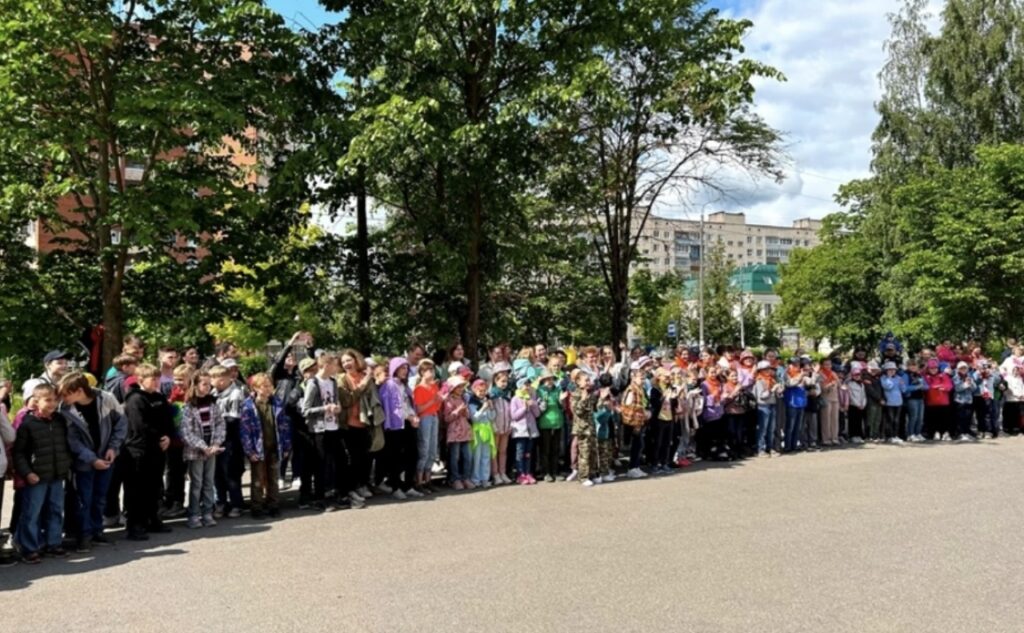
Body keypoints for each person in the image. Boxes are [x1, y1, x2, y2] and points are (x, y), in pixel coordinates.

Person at [59, 372, 126, 552]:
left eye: (66, 394)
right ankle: (84, 534)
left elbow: (121, 423)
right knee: (84, 499)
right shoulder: (66, 409)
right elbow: (72, 440)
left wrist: (113, 447)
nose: (63, 399)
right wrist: (92, 459)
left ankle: (97, 530)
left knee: (100, 497)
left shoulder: (106, 398)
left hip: (107, 457)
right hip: (84, 462)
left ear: (79, 391)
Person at [13, 384, 72, 563]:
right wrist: (27, 473)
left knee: (56, 510)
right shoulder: (27, 423)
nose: (52, 403)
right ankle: (29, 548)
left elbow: (65, 445)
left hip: (57, 475)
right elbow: (18, 453)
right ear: (36, 401)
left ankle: (53, 543)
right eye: (48, 400)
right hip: (36, 477)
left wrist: (66, 465)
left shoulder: (59, 420)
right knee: (32, 513)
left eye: (55, 400)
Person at [122, 364, 174, 541]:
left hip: (158, 449)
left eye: (158, 378)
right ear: (141, 380)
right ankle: (135, 524)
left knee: (154, 486)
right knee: (136, 489)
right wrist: (159, 437)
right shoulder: (135, 399)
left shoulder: (159, 397)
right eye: (153, 379)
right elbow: (139, 425)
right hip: (139, 450)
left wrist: (168, 436)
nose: (156, 382)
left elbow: (168, 420)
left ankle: (153, 519)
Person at [240, 373, 292, 518]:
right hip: (258, 448)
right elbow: (245, 431)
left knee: (273, 478)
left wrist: (286, 446)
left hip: (274, 446)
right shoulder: (248, 406)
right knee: (257, 479)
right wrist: (249, 450)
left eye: (270, 385)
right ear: (255, 388)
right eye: (264, 386)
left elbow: (284, 426)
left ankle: (273, 505)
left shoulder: (277, 403)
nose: (268, 389)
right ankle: (256, 507)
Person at [180, 371, 225, 528]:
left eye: (209, 384)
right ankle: (193, 514)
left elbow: (220, 423)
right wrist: (202, 446)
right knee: (196, 483)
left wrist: (216, 443)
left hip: (212, 449)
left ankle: (207, 512)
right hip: (196, 451)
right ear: (196, 385)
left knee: (209, 482)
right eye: (204, 384)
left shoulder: (212, 403)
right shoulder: (189, 406)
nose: (208, 387)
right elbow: (186, 432)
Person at [338, 350, 382, 501]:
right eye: (343, 362)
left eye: (349, 360)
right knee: (354, 458)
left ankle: (363, 484)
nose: (346, 364)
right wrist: (363, 384)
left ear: (356, 360)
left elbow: (374, 397)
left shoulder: (365, 376)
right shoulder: (342, 379)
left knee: (366, 457)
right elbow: (346, 400)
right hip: (348, 424)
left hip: (366, 422)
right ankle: (352, 487)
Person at [379, 357, 421, 500]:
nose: (405, 371)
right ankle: (395, 486)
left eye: (406, 368)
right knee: (395, 457)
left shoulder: (404, 385)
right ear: (395, 369)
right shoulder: (389, 385)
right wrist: (408, 417)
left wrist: (413, 416)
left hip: (408, 424)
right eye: (402, 368)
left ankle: (408, 485)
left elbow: (408, 404)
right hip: (395, 426)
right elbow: (391, 408)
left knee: (412, 454)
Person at [211, 365, 246, 517]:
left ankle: (236, 504)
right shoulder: (213, 394)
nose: (212, 382)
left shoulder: (236, 393)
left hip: (230, 440)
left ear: (224, 379)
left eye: (214, 379)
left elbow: (233, 419)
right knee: (217, 473)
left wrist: (216, 422)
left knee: (230, 473)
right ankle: (221, 503)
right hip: (215, 440)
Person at [412, 359, 443, 491]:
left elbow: (437, 406)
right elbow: (419, 409)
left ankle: (428, 479)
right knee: (424, 448)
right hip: (425, 418)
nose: (432, 372)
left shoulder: (434, 386)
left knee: (432, 449)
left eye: (432, 369)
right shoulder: (419, 388)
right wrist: (433, 401)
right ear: (422, 372)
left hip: (434, 416)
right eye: (429, 370)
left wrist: (439, 400)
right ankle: (419, 481)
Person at [570, 370, 600, 487]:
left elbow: (594, 408)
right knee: (584, 453)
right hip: (582, 428)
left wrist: (600, 399)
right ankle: (583, 477)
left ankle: (592, 474)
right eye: (586, 380)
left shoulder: (589, 393)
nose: (588, 382)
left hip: (591, 426)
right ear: (578, 382)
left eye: (589, 380)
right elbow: (577, 411)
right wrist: (583, 399)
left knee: (592, 451)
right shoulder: (576, 395)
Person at [620, 365, 650, 478]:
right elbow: (628, 406)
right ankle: (632, 468)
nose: (643, 380)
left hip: (640, 421)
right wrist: (641, 415)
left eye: (644, 378)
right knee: (636, 445)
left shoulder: (641, 389)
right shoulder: (631, 390)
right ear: (633, 378)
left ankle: (636, 467)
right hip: (633, 423)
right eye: (641, 378)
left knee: (639, 445)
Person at [443, 376, 472, 490]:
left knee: (467, 456)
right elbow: (447, 418)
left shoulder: (463, 398)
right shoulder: (448, 400)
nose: (461, 389)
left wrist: (465, 412)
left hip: (465, 430)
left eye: (462, 387)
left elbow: (468, 416)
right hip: (454, 432)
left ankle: (466, 477)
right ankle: (455, 479)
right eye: (458, 387)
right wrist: (457, 411)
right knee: (455, 457)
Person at [510, 376, 540, 485]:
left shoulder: (531, 398)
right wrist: (524, 408)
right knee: (520, 453)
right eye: (525, 385)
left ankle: (528, 473)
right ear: (519, 386)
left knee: (528, 453)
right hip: (520, 431)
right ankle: (520, 474)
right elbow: (514, 416)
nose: (527, 387)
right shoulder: (515, 399)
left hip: (530, 431)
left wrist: (533, 405)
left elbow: (537, 414)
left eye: (529, 385)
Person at [467, 379, 497, 488]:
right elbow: (474, 418)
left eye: (484, 391)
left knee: (486, 455)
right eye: (480, 390)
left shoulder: (486, 401)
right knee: (477, 456)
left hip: (487, 430)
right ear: (474, 390)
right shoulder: (472, 403)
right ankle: (476, 479)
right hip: (477, 431)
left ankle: (485, 478)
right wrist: (483, 408)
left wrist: (491, 408)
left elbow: (492, 417)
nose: (482, 393)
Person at [487, 365, 513, 485]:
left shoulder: (507, 395)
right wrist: (494, 425)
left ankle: (503, 472)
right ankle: (495, 474)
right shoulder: (492, 395)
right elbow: (491, 412)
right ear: (495, 381)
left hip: (506, 426)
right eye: (502, 381)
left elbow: (509, 411)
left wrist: (510, 424)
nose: (504, 384)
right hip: (496, 426)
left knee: (503, 451)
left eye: (506, 381)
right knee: (494, 451)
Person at [753, 361, 781, 456]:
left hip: (772, 404)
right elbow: (761, 396)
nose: (768, 371)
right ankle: (761, 449)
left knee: (771, 428)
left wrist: (779, 390)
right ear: (760, 371)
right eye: (765, 369)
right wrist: (772, 390)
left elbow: (777, 394)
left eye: (769, 369)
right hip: (763, 406)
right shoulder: (759, 380)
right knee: (763, 429)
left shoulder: (772, 380)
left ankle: (770, 447)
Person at [924, 359, 954, 441]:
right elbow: (928, 387)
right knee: (933, 419)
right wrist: (939, 386)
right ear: (928, 369)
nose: (933, 370)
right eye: (931, 368)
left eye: (935, 368)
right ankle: (935, 433)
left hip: (944, 402)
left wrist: (941, 387)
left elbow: (949, 386)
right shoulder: (926, 377)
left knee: (944, 419)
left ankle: (945, 433)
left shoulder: (943, 376)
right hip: (931, 402)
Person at [879, 362, 906, 444]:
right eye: (889, 370)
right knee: (890, 420)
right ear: (886, 371)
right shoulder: (883, 378)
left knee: (896, 420)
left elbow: (903, 390)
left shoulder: (899, 378)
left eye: (893, 370)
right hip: (889, 403)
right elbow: (888, 386)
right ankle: (890, 436)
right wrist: (890, 378)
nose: (892, 371)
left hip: (898, 402)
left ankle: (895, 435)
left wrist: (902, 384)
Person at [952, 362, 977, 442]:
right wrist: (965, 384)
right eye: (961, 368)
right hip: (959, 400)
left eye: (965, 368)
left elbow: (974, 389)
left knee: (968, 418)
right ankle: (960, 434)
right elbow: (957, 389)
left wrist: (971, 383)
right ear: (958, 369)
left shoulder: (969, 377)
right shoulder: (955, 377)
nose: (963, 370)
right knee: (960, 418)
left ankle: (966, 433)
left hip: (969, 400)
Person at [904, 361, 927, 442]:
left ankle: (918, 433)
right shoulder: (905, 375)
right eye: (911, 365)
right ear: (907, 366)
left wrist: (923, 387)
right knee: (913, 417)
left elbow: (926, 386)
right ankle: (910, 434)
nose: (913, 367)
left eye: (915, 365)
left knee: (920, 418)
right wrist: (916, 387)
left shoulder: (919, 375)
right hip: (911, 398)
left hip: (920, 398)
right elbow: (904, 388)